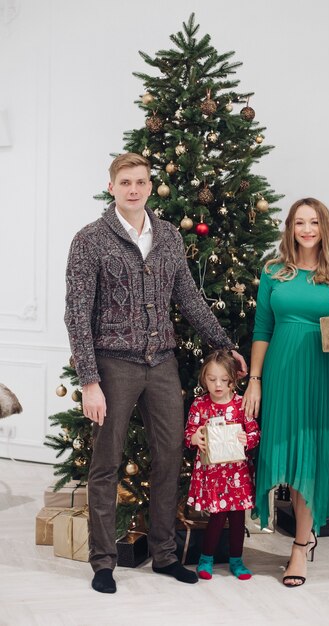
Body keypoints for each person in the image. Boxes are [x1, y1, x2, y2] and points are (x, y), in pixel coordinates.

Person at [64, 153, 247, 593]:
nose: (133, 189)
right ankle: (104, 562)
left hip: (161, 362)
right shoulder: (89, 240)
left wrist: (224, 345)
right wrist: (90, 380)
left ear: (150, 186)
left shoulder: (166, 236)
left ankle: (165, 555)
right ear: (112, 187)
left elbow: (189, 297)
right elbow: (76, 314)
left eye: (141, 181)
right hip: (113, 364)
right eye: (125, 181)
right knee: (106, 463)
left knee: (169, 457)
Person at [242, 197, 329, 587]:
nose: (306, 229)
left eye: (313, 222)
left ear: (324, 228)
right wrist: (255, 380)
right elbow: (262, 329)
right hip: (282, 374)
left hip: (321, 376)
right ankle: (302, 533)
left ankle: (300, 547)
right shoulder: (273, 272)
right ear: (290, 228)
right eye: (299, 222)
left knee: (309, 459)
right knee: (283, 453)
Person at [184, 350, 260, 580]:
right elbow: (188, 433)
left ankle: (236, 560)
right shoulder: (200, 405)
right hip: (213, 474)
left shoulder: (240, 404)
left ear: (234, 380)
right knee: (216, 517)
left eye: (224, 380)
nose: (218, 385)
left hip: (237, 474)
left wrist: (248, 439)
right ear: (203, 378)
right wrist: (195, 438)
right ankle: (206, 559)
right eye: (212, 379)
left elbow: (255, 432)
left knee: (237, 518)